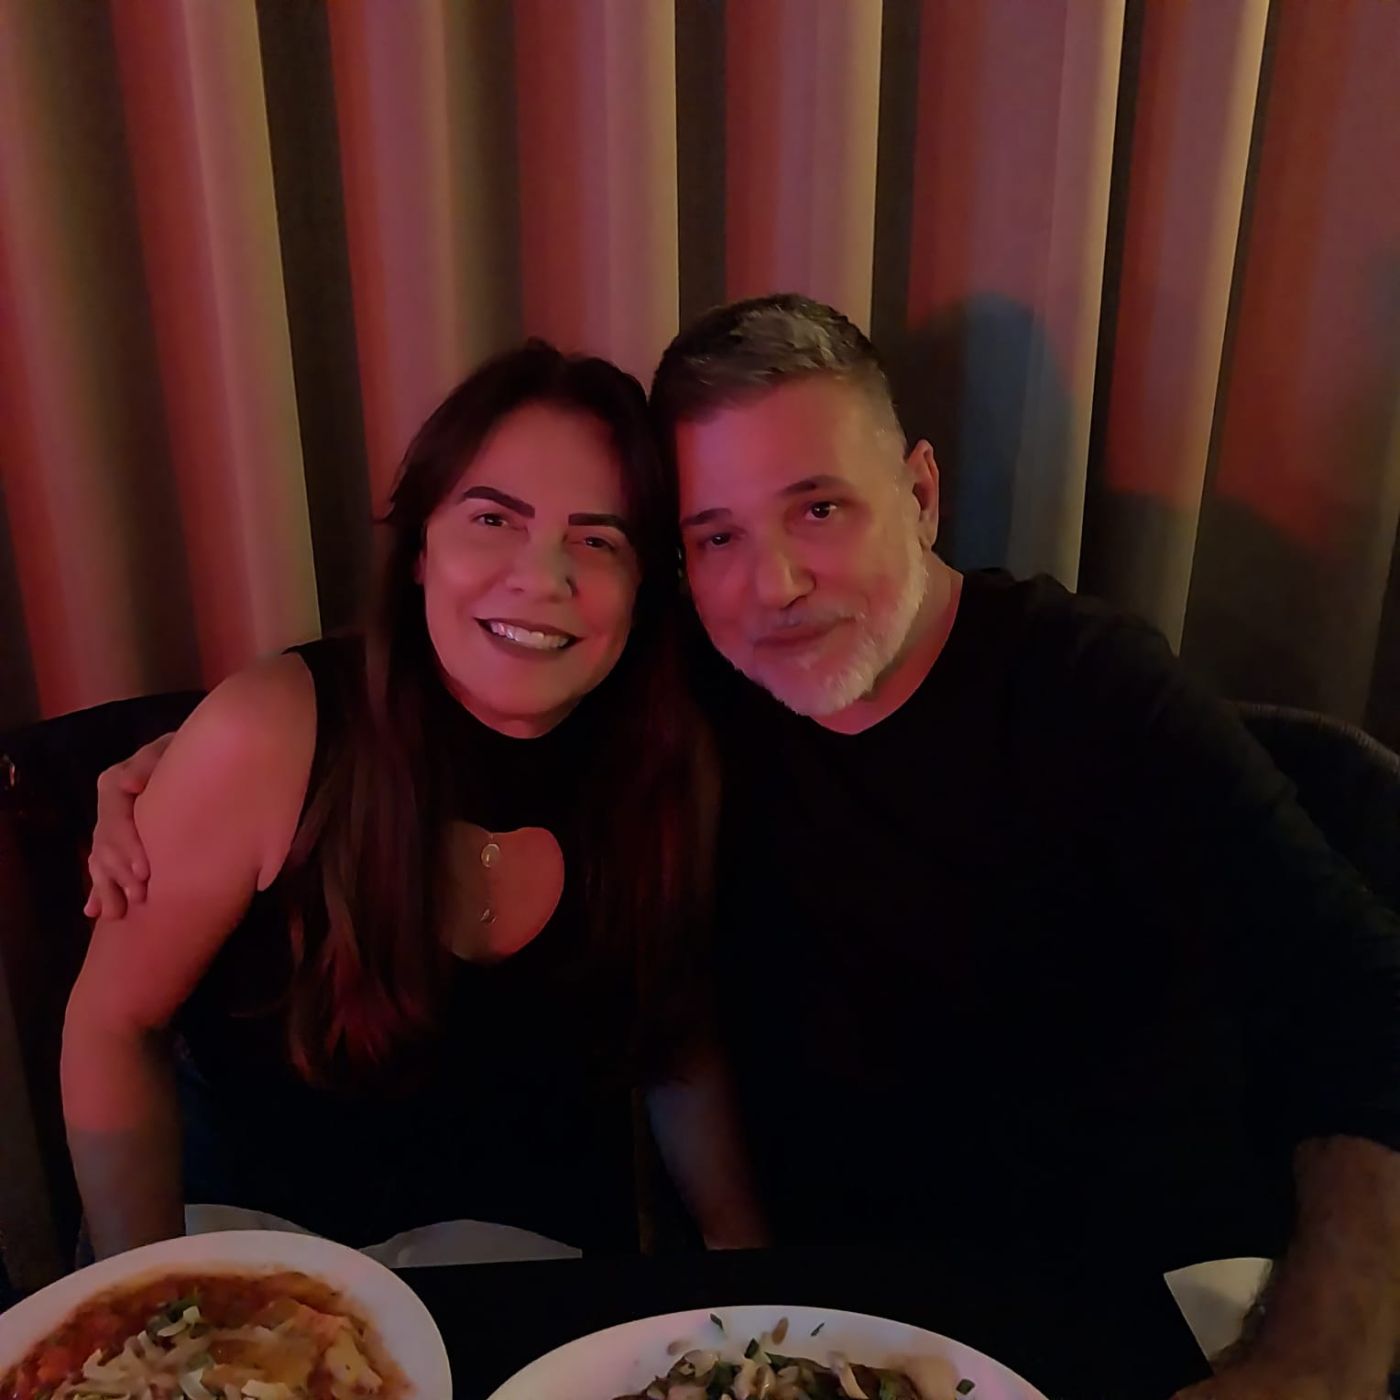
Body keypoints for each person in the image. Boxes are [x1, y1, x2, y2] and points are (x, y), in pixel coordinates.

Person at [92, 298, 1400, 1398]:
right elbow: (457, 676)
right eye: (715, 535)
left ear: (921, 494)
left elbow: (1361, 1001)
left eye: (818, 509)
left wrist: (1320, 1356)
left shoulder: (1087, 692)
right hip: (829, 1316)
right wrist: (191, 759)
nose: (770, 584)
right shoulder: (690, 696)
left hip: (1119, 1294)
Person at [64, 340, 761, 1263]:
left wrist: (742, 1252)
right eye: (493, 519)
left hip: (528, 1268)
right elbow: (115, 1024)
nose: (541, 576)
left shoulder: (670, 763)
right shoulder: (273, 731)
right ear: (421, 549)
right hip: (249, 1251)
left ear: (643, 589)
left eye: (598, 540)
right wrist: (144, 1302)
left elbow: (677, 1037)